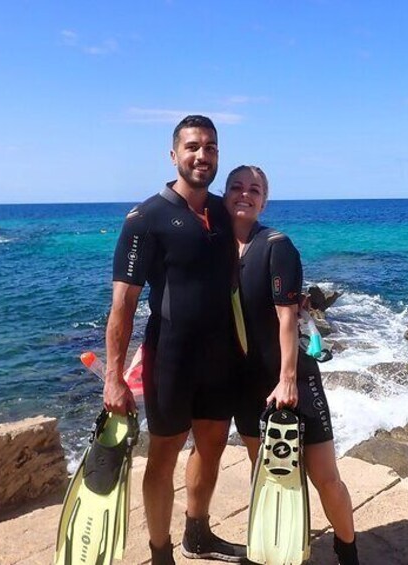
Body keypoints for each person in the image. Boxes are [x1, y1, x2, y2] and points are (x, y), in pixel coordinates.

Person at [105, 115, 245, 564]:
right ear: (174, 155)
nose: (202, 156)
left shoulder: (224, 212)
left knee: (212, 446)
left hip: (219, 359)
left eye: (210, 147)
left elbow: (253, 264)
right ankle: (160, 551)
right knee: (163, 456)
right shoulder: (146, 219)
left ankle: (198, 533)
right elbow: (123, 305)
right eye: (193, 147)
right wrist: (114, 375)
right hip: (170, 359)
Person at [225, 165, 360, 565]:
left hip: (292, 377)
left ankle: (347, 550)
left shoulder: (277, 246)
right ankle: (278, 545)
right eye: (237, 187)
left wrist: (287, 381)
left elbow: (287, 318)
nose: (244, 195)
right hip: (247, 383)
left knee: (324, 477)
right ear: (225, 195)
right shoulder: (216, 249)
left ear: (264, 200)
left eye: (254, 189)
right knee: (265, 474)